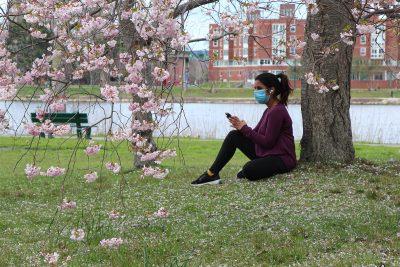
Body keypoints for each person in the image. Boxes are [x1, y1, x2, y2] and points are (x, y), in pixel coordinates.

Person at [191, 72, 296, 185]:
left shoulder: (277, 111)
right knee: (234, 136)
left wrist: (245, 128)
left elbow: (267, 142)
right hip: (268, 154)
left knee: (248, 170)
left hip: (281, 159)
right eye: (254, 89)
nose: (256, 92)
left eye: (259, 88)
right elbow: (254, 134)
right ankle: (212, 173)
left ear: (271, 90)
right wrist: (241, 127)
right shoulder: (269, 110)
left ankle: (251, 169)